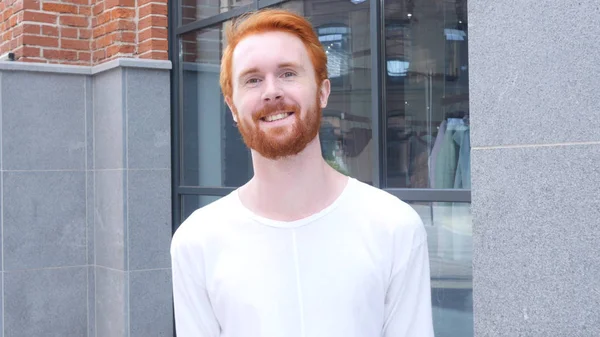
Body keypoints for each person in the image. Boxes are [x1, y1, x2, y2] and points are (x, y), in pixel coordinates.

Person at [170, 8, 434, 337]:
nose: (271, 92)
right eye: (253, 80)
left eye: (288, 73)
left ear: (323, 92)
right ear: (232, 108)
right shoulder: (196, 242)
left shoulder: (394, 227)